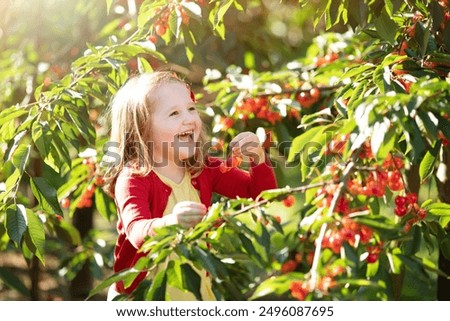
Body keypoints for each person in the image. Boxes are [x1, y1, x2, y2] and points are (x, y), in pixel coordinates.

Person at [103, 71, 277, 300]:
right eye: (174, 113)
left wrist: (258, 158)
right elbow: (136, 230)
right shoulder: (133, 178)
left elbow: (260, 196)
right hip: (141, 296)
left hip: (195, 295)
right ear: (143, 130)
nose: (189, 119)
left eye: (191, 108)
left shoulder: (203, 168)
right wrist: (170, 223)